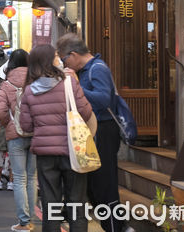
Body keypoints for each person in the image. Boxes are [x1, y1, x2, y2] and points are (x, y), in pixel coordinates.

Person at [19, 44, 93, 232]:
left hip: (45, 155)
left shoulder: (28, 91)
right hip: (72, 150)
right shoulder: (69, 82)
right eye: (56, 57)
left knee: (50, 203)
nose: (59, 60)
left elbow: (26, 126)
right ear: (51, 61)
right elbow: (85, 112)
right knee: (76, 202)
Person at [56, 33, 123, 232]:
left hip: (104, 130)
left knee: (105, 185)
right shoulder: (87, 69)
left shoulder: (98, 69)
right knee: (94, 185)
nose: (64, 64)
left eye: (64, 59)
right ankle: (116, 226)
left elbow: (103, 100)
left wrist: (76, 86)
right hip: (94, 130)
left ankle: (117, 227)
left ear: (74, 55)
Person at [0, 49, 38, 231]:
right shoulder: (36, 81)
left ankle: (23, 221)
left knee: (19, 178)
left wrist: (8, 125)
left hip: (15, 135)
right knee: (32, 178)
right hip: (36, 134)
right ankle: (32, 219)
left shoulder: (7, 84)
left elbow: (0, 111)